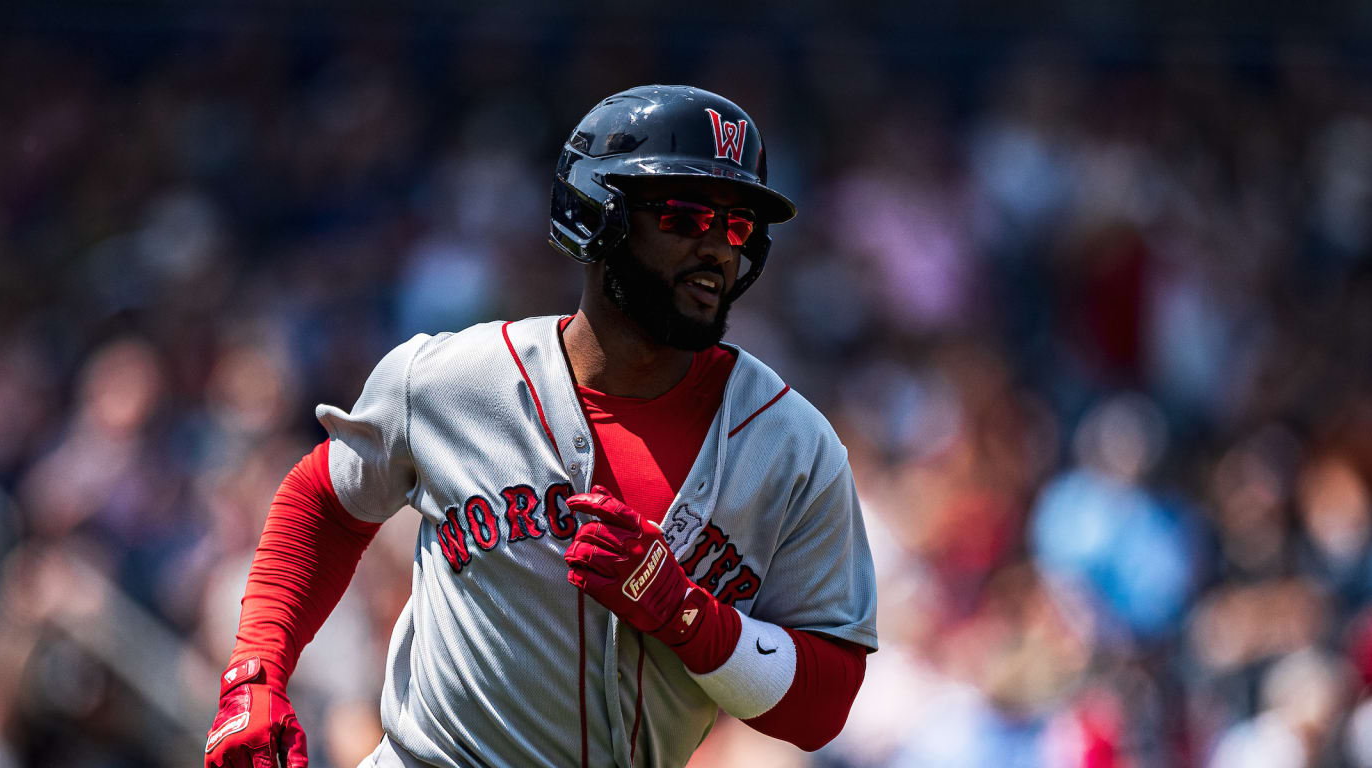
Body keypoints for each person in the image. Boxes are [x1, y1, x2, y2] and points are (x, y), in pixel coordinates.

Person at [203, 84, 877, 768]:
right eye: (683, 216)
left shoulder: (794, 447)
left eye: (735, 229)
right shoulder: (451, 381)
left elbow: (826, 703)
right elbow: (324, 499)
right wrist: (256, 669)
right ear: (600, 215)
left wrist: (685, 614)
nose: (716, 250)